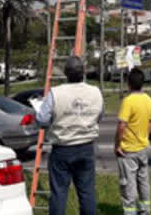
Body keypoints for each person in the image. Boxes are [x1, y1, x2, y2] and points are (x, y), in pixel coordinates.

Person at [36, 56, 104, 215]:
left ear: (66, 73)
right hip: (86, 147)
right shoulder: (95, 92)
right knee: (87, 192)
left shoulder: (56, 93)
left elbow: (42, 120)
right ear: (84, 72)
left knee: (59, 194)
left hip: (62, 148)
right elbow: (99, 116)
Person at [114, 68, 151, 215]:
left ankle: (130, 212)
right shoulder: (148, 99)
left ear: (128, 84)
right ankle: (145, 210)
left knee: (128, 185)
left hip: (128, 150)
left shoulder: (128, 101)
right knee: (143, 182)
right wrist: (144, 136)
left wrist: (117, 145)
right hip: (143, 148)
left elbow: (121, 126)